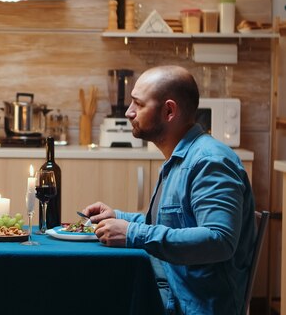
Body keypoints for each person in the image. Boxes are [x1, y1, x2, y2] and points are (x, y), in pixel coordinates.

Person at [83, 65, 255, 315]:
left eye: (138, 104)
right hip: (169, 290)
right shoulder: (180, 158)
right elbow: (175, 223)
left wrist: (133, 233)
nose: (129, 112)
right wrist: (119, 218)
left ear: (169, 111)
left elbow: (219, 240)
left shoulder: (210, 161)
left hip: (192, 304)